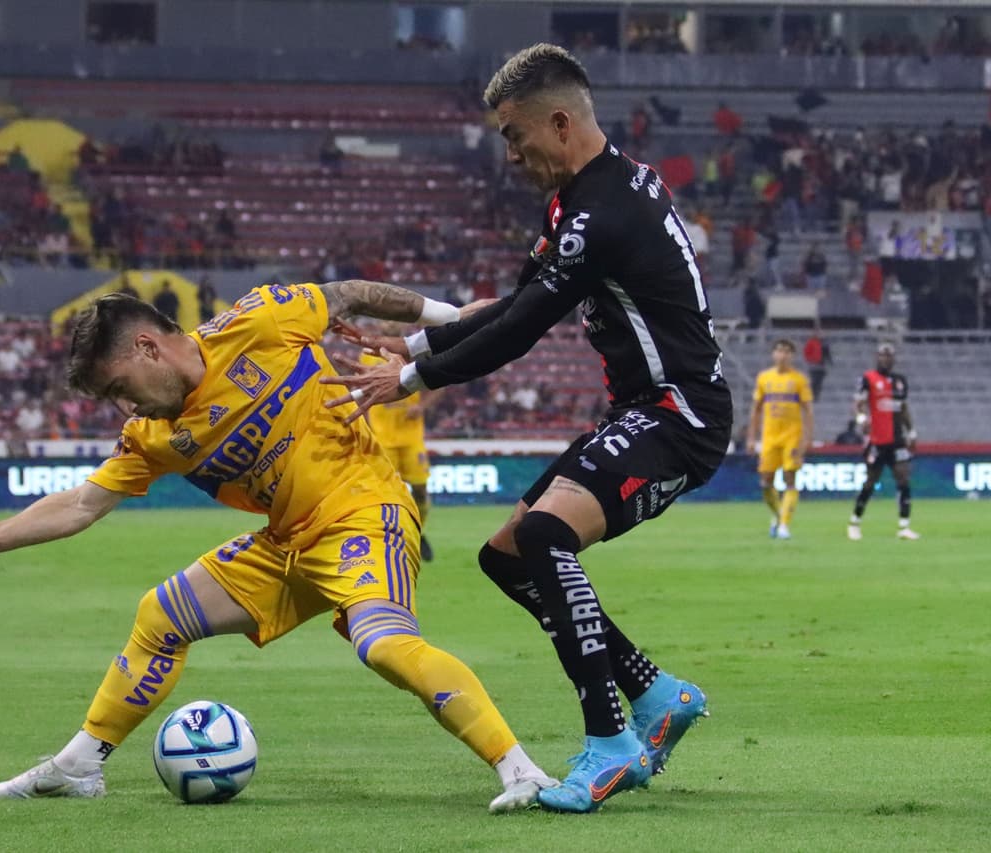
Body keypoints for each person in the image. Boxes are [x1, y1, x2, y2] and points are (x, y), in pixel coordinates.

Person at [0, 283, 554, 813]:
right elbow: (82, 502)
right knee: (162, 616)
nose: (123, 404)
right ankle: (81, 763)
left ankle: (521, 768)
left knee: (381, 641)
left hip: (365, 509)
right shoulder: (154, 433)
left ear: (148, 346)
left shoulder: (260, 321)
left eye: (118, 386)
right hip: (288, 541)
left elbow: (349, 295)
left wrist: (449, 321)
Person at [323, 44, 732, 813]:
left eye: (514, 135)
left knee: (545, 537)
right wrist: (411, 344)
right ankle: (655, 693)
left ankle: (609, 744)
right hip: (645, 413)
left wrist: (409, 379)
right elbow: (515, 303)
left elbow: (519, 334)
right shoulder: (590, 196)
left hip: (679, 416)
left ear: (558, 120)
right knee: (507, 555)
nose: (510, 154)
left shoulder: (598, 214)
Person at [359, 322, 437, 562]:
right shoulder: (367, 356)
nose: (389, 322)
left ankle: (419, 533)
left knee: (421, 490)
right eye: (384, 319)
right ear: (379, 323)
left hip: (411, 436)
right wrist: (365, 427)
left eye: (393, 318)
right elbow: (361, 390)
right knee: (384, 494)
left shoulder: (415, 352)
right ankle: (386, 539)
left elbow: (441, 381)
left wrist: (422, 406)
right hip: (382, 437)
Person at [848, 343, 919, 541]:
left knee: (903, 478)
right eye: (882, 355)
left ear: (894, 358)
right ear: (876, 357)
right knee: (871, 482)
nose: (886, 359)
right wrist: (861, 420)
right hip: (877, 440)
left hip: (897, 440)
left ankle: (904, 526)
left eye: (889, 355)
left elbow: (903, 408)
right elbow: (858, 404)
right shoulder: (868, 379)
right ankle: (855, 522)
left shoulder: (900, 382)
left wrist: (911, 431)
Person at [744, 340, 814, 539]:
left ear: (792, 356)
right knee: (766, 482)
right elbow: (755, 410)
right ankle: (778, 515)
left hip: (792, 436)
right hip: (770, 437)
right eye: (779, 351)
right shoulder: (764, 378)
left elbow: (808, 411)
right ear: (773, 354)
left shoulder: (799, 380)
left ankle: (783, 526)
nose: (782, 355)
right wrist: (751, 437)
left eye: (786, 352)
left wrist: (806, 438)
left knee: (790, 479)